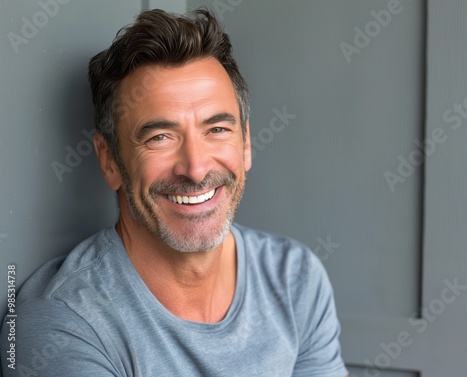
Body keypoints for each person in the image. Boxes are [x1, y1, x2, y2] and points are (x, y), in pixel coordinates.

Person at [1, 9, 348, 377]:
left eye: (216, 129)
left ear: (246, 143)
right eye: (159, 137)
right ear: (110, 161)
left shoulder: (295, 279)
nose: (196, 168)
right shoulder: (64, 322)